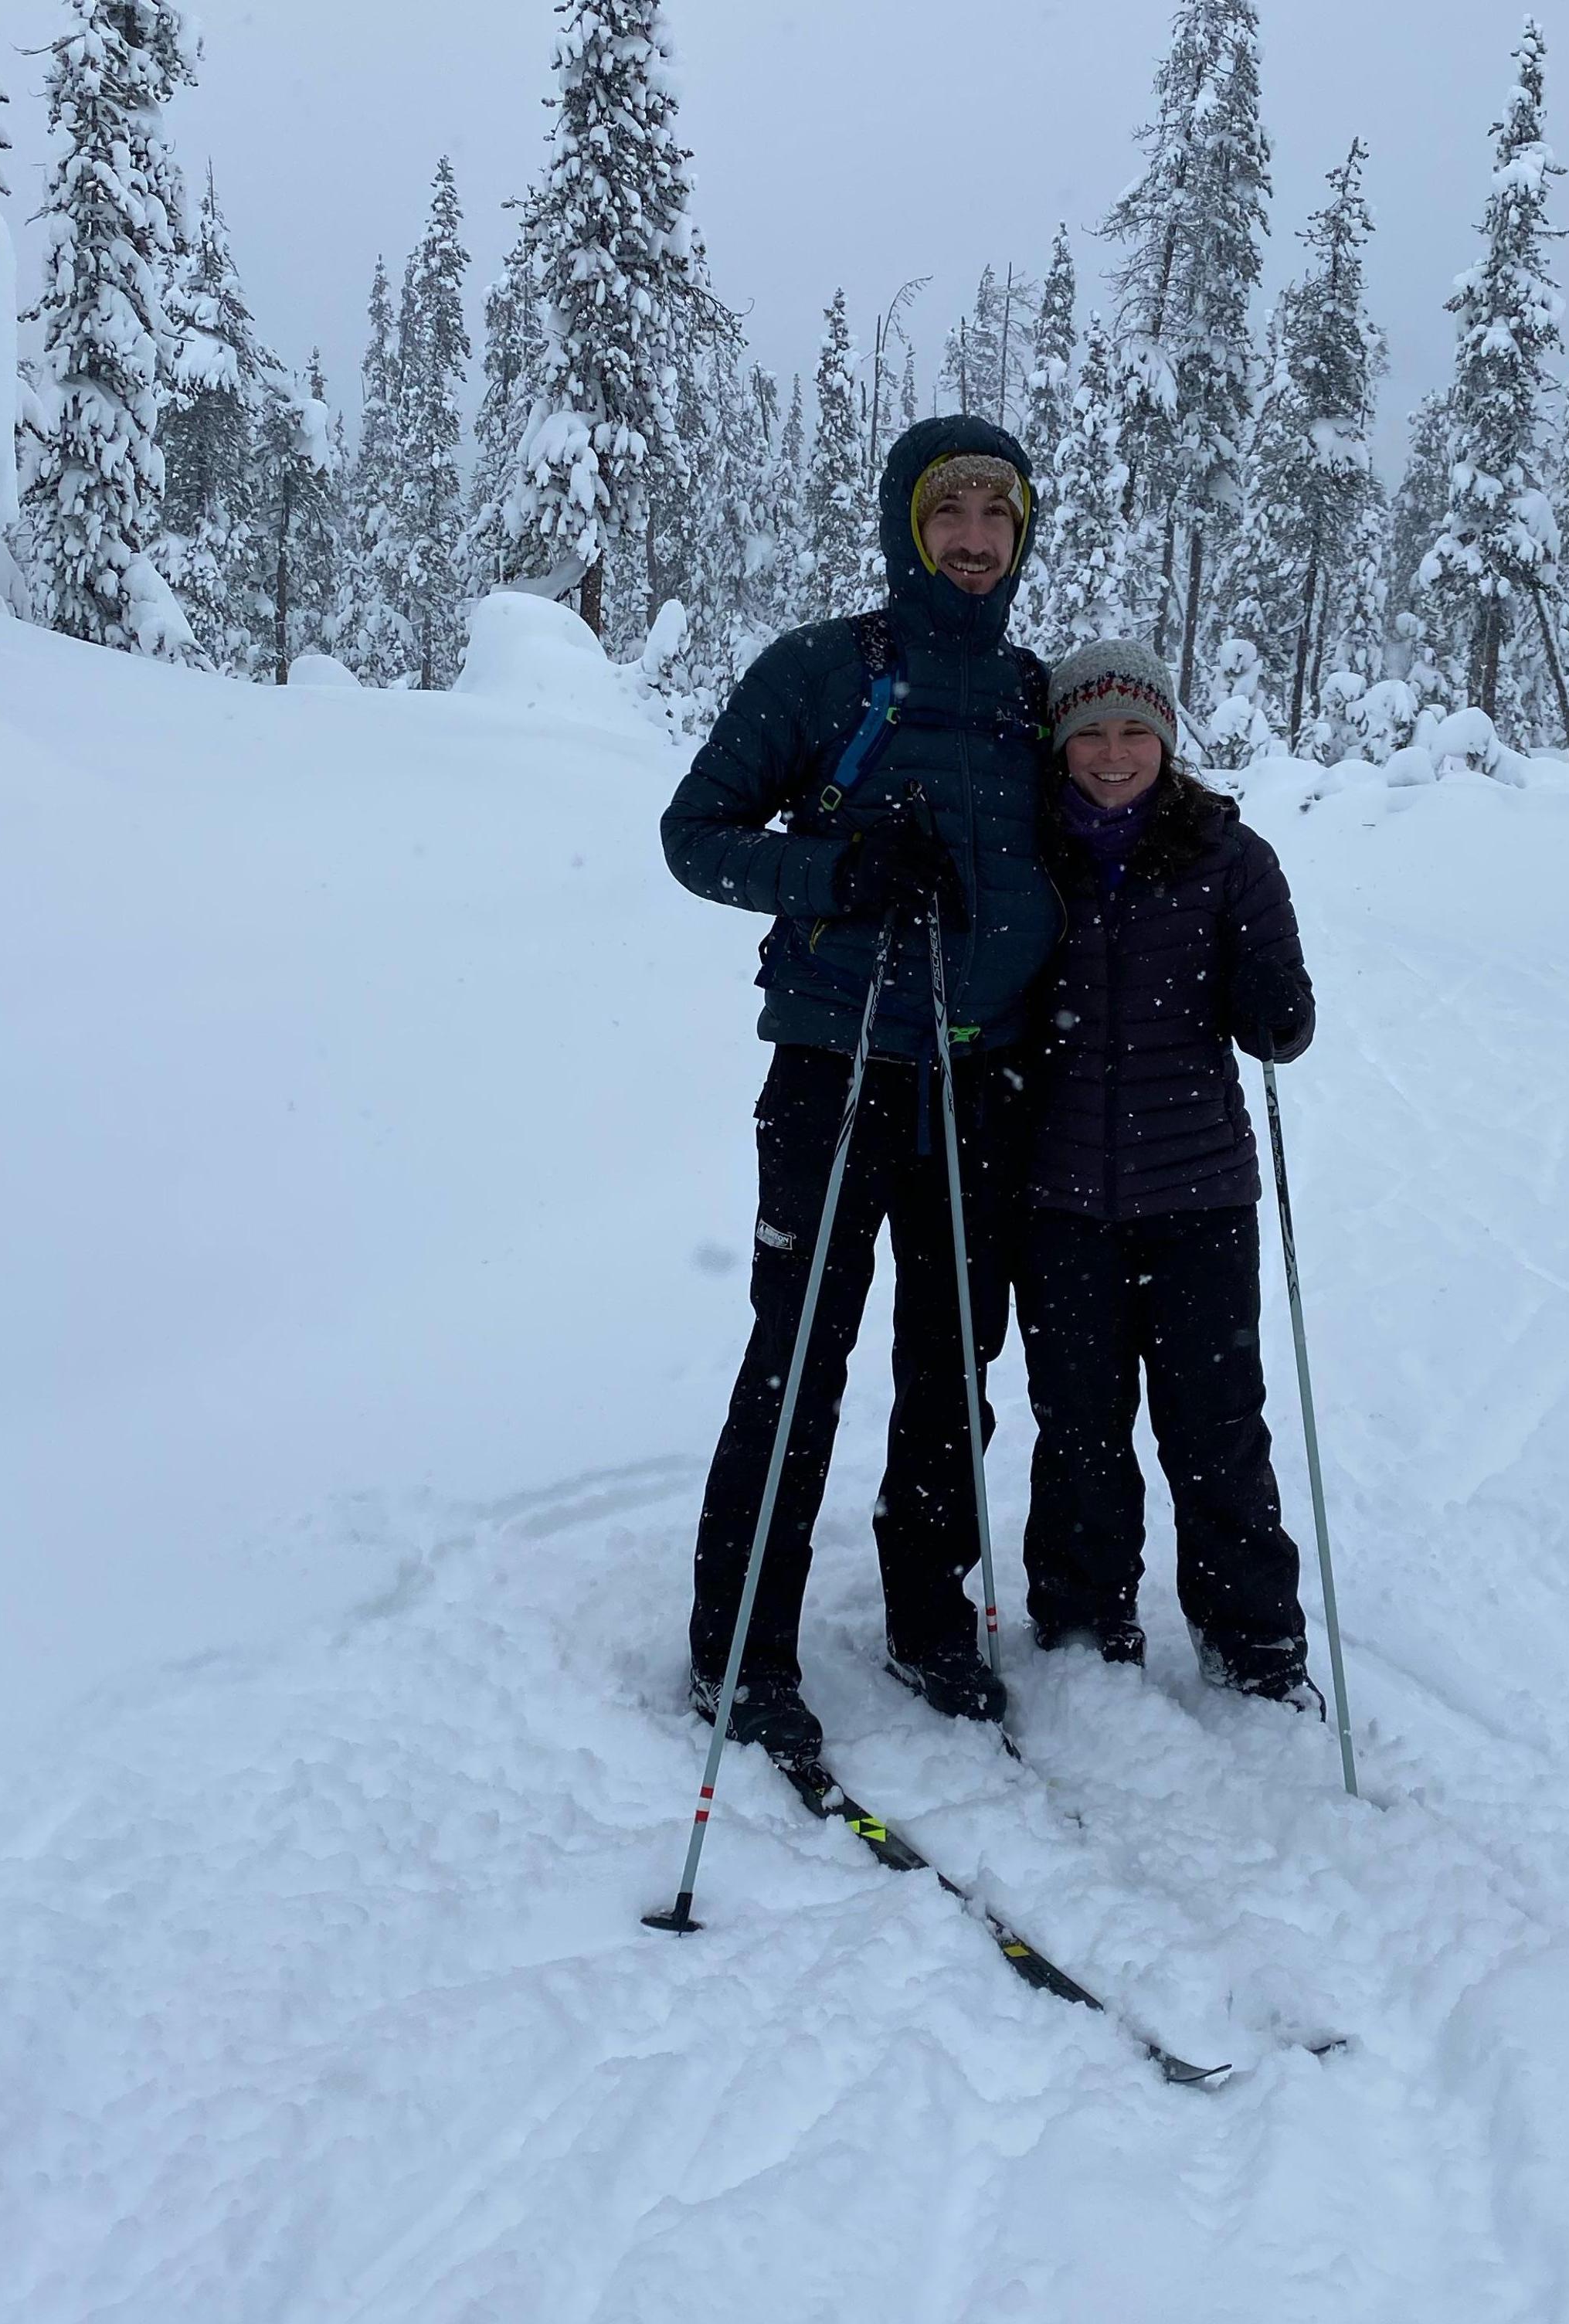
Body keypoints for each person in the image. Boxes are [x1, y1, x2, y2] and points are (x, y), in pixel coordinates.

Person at [658, 416, 1059, 1770]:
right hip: (833, 1070)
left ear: (1020, 536)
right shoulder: (824, 672)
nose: (972, 540)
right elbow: (693, 837)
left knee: (952, 1363)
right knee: (800, 1358)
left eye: (996, 517)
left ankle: (929, 1617)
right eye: (948, 514)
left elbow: (1104, 829)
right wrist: (837, 874)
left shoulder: (1028, 694)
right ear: (905, 524)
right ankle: (741, 1647)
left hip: (980, 1081)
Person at [1016, 640, 1324, 1710]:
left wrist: (1278, 1011)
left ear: (1167, 739)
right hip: (1057, 1196)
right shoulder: (1026, 847)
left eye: (1133, 731)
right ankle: (1082, 1625)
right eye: (1089, 732)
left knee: (1218, 1428)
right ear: (1060, 743)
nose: (1111, 754)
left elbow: (1286, 1012)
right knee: (1080, 1425)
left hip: (1198, 1197)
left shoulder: (1230, 857)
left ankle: (1255, 1641)